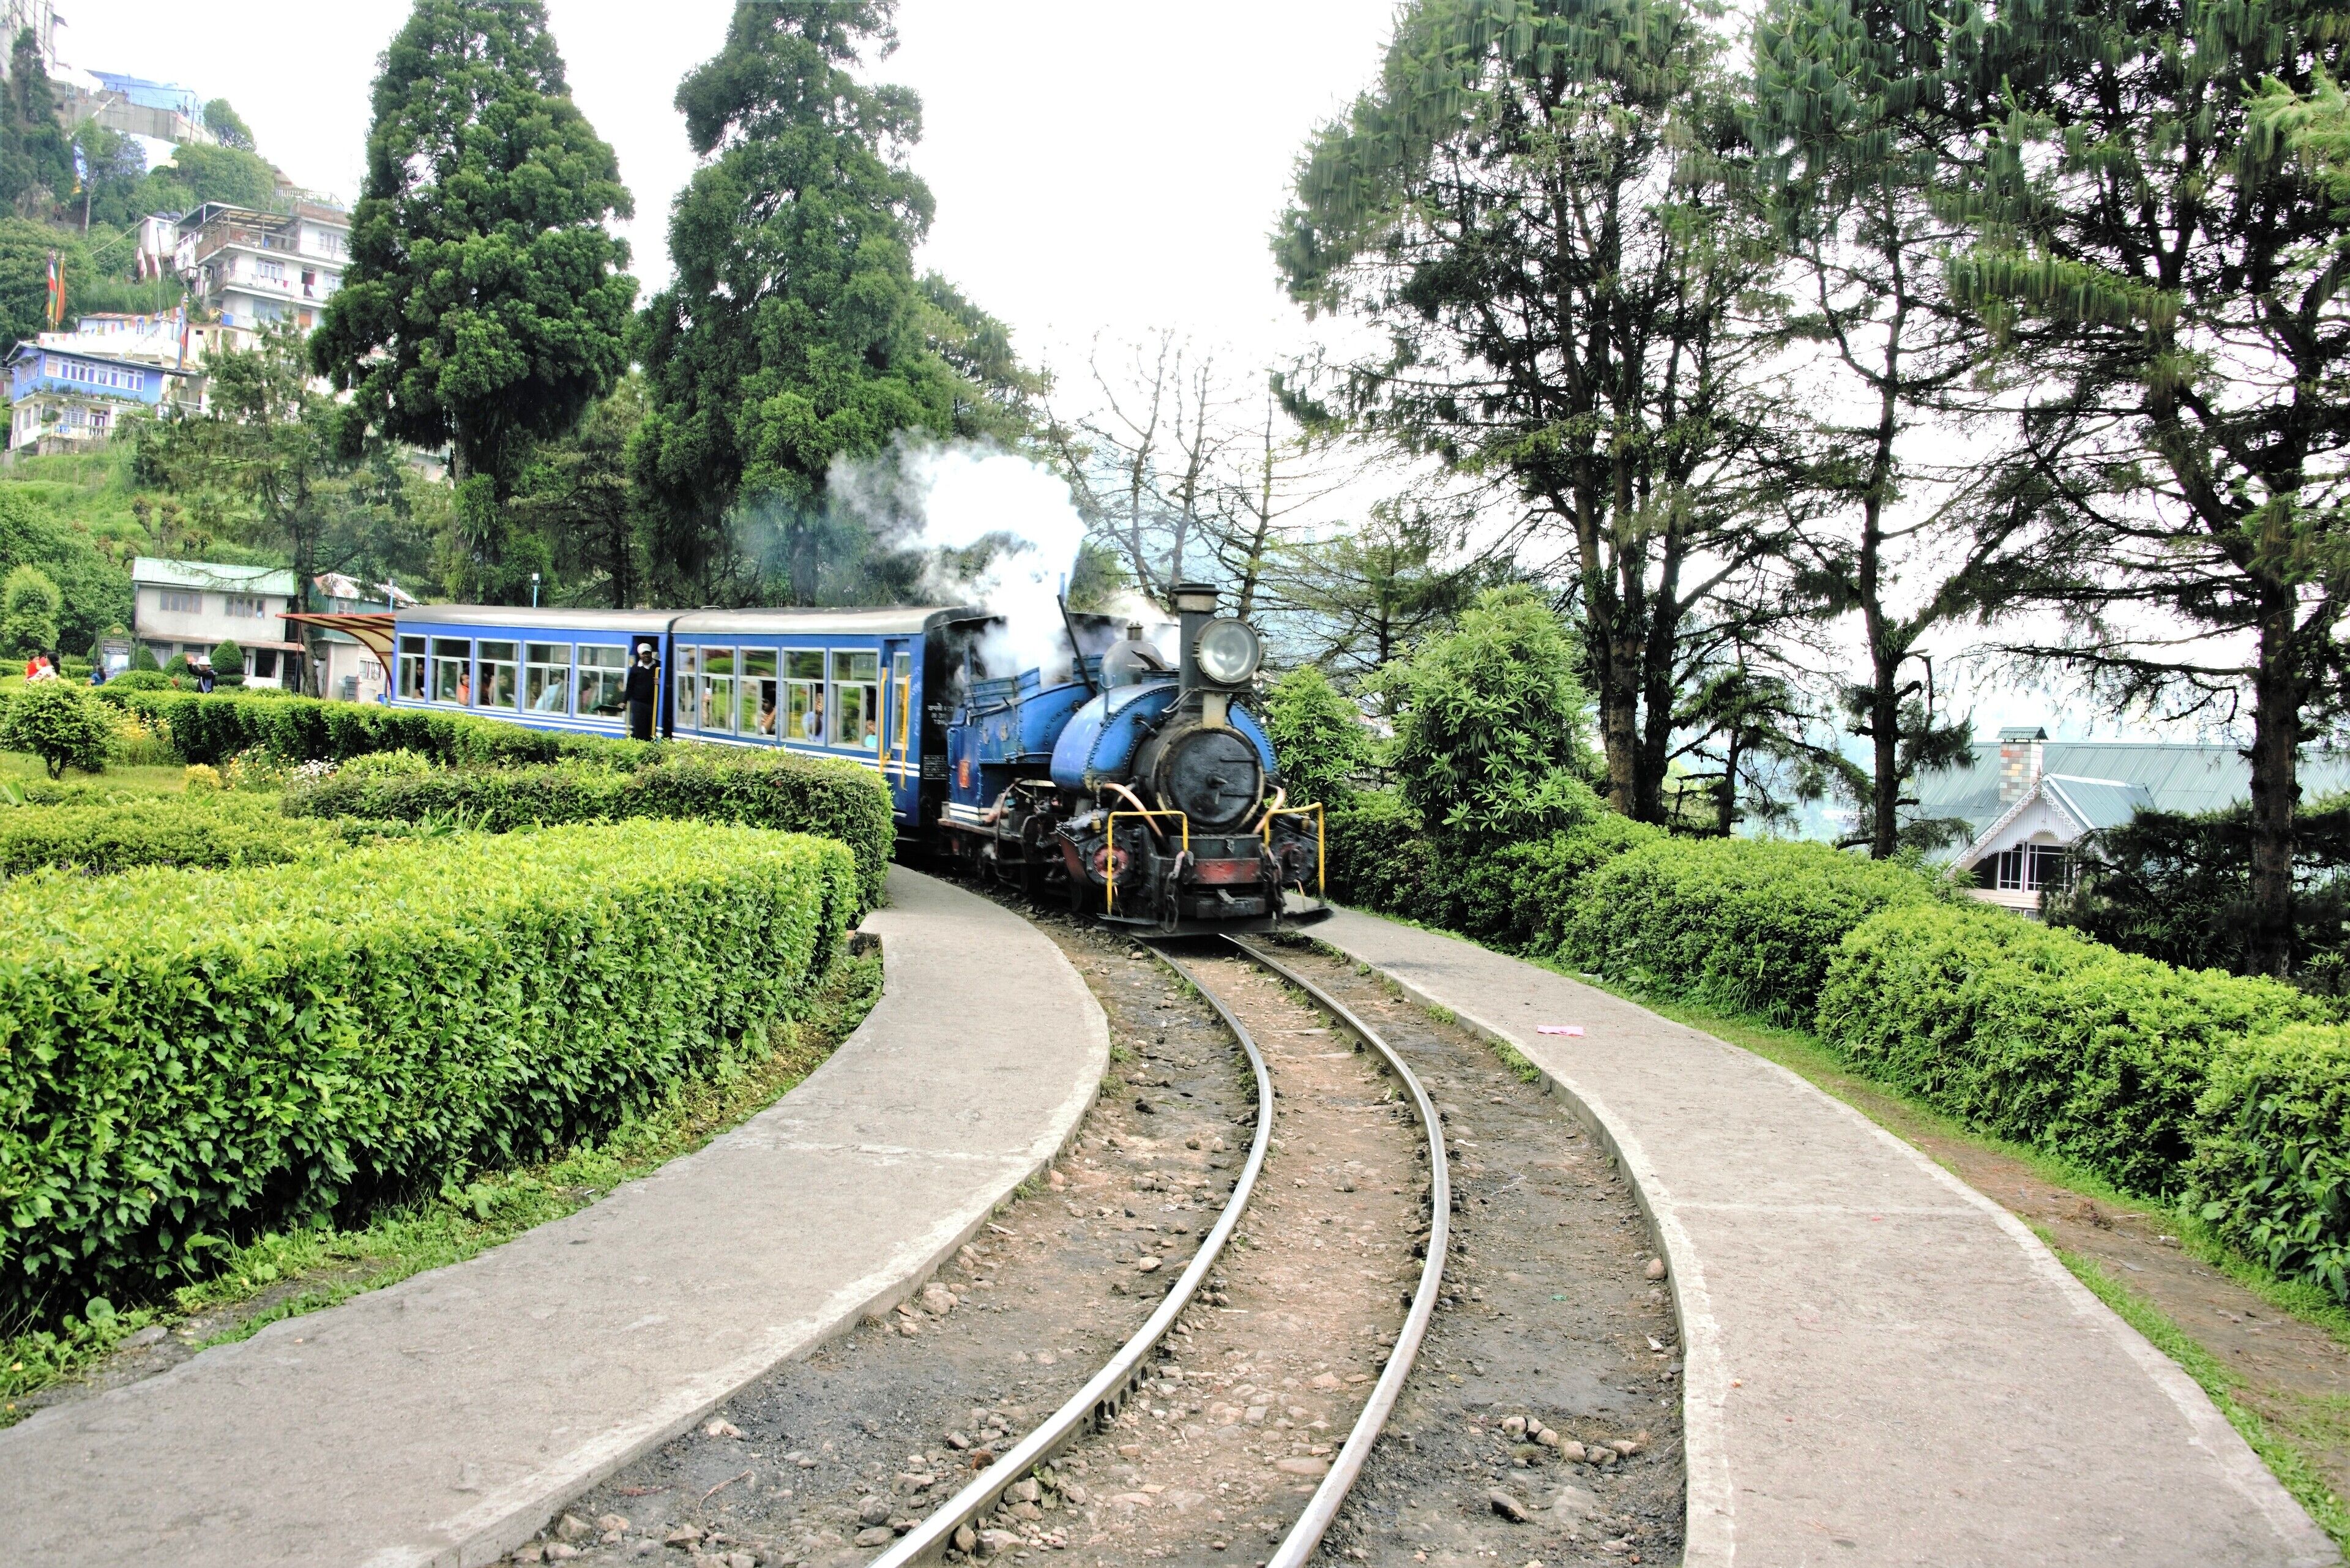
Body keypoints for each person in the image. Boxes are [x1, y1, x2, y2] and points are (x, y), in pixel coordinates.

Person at [624, 642, 659, 741]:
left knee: (651, 727)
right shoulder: (635, 668)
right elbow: (630, 686)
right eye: (644, 654)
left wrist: (661, 681)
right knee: (639, 727)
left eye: (648, 653)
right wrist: (624, 701)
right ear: (640, 655)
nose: (646, 656)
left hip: (653, 703)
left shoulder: (658, 666)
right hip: (638, 703)